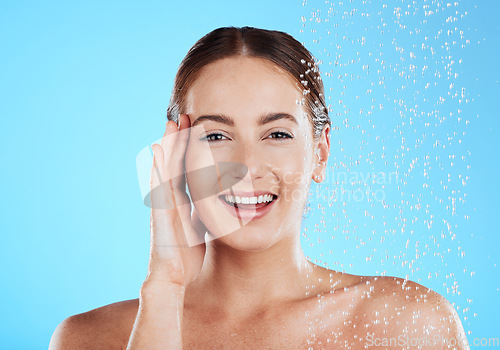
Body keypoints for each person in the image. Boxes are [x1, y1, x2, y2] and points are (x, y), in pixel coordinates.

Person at [49, 26, 469, 349]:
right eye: (215, 136)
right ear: (175, 154)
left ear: (320, 153)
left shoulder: (408, 324)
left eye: (278, 135)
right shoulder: (91, 339)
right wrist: (163, 289)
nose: (247, 166)